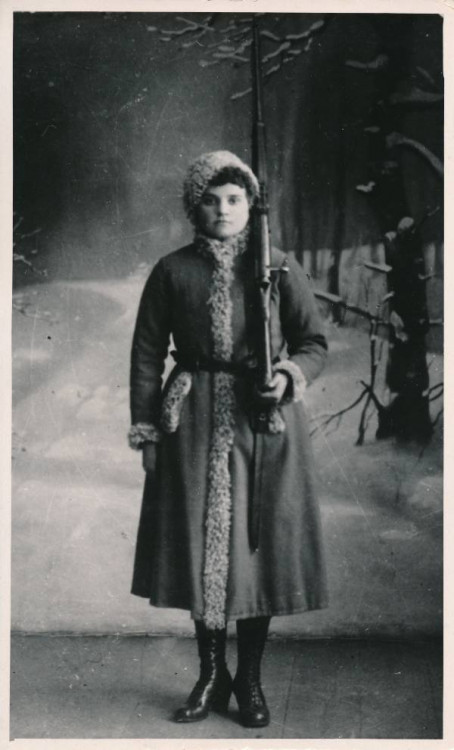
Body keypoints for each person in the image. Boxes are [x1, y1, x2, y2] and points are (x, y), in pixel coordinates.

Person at [128, 150, 328, 728]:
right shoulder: (171, 271)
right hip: (192, 423)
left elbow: (313, 343)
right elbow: (146, 356)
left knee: (255, 550)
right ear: (195, 208)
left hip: (263, 424)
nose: (223, 210)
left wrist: (285, 378)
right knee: (201, 546)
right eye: (211, 201)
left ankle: (250, 678)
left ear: (251, 204)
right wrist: (147, 430)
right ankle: (211, 674)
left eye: (235, 200)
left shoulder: (279, 267)